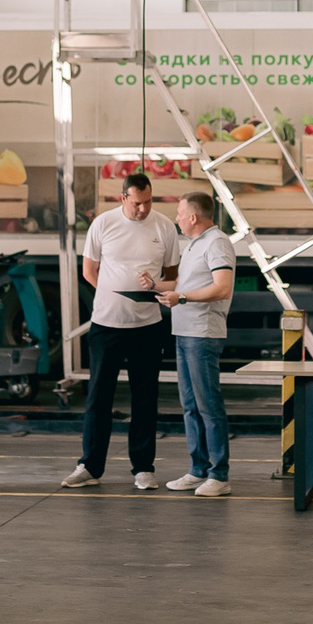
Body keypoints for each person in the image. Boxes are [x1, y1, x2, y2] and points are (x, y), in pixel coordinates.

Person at [63, 171, 180, 491]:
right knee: (98, 397)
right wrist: (113, 294)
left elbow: (172, 276)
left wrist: (154, 288)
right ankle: (89, 466)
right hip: (106, 325)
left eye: (148, 202)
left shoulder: (164, 227)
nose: (143, 209)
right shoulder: (103, 223)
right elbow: (89, 270)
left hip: (147, 326)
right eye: (137, 203)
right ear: (123, 197)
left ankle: (143, 468)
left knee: (145, 398)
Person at [159, 191, 237, 496]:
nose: (176, 218)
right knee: (190, 405)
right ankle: (198, 468)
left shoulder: (217, 243)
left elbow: (222, 287)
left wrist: (182, 297)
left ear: (193, 217)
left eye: (179, 213)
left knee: (208, 405)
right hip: (185, 331)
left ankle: (219, 475)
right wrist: (156, 286)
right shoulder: (194, 245)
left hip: (202, 333)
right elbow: (182, 285)